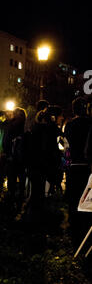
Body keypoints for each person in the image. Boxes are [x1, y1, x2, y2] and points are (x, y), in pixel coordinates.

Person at [64, 97, 92, 243]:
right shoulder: (90, 124)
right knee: (86, 195)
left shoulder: (69, 125)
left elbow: (67, 145)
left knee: (73, 196)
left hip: (73, 165)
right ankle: (85, 224)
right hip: (87, 166)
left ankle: (73, 224)